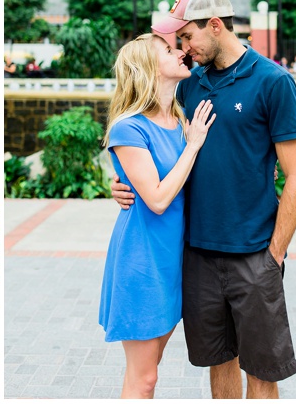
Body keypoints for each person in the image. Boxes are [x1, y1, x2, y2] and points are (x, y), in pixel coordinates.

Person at [112, 0, 296, 399]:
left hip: (254, 253)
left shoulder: (273, 82)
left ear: (215, 26)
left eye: (187, 37)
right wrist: (122, 184)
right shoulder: (190, 83)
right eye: (178, 41)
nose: (183, 49)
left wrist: (275, 252)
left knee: (262, 373)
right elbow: (151, 143)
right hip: (198, 256)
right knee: (219, 365)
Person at [99, 34, 216, 398]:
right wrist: (193, 145)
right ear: (149, 68)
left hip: (173, 262)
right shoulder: (129, 127)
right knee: (144, 378)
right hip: (142, 260)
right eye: (168, 50)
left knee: (145, 373)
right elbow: (159, 199)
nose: (180, 51)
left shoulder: (180, 118)